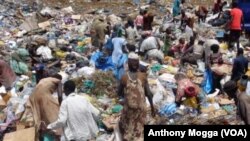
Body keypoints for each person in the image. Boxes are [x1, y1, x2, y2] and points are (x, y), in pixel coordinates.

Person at [118, 52, 155, 141]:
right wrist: (152, 108)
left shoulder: (124, 77)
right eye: (134, 62)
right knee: (139, 128)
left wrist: (125, 97)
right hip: (141, 108)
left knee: (126, 126)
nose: (135, 64)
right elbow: (149, 94)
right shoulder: (143, 76)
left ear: (128, 63)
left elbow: (119, 93)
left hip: (129, 109)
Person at [29, 74, 63, 141]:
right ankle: (57, 134)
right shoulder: (58, 81)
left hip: (33, 97)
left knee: (39, 116)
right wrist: (61, 104)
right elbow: (60, 95)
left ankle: (41, 134)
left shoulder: (44, 79)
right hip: (44, 96)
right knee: (54, 114)